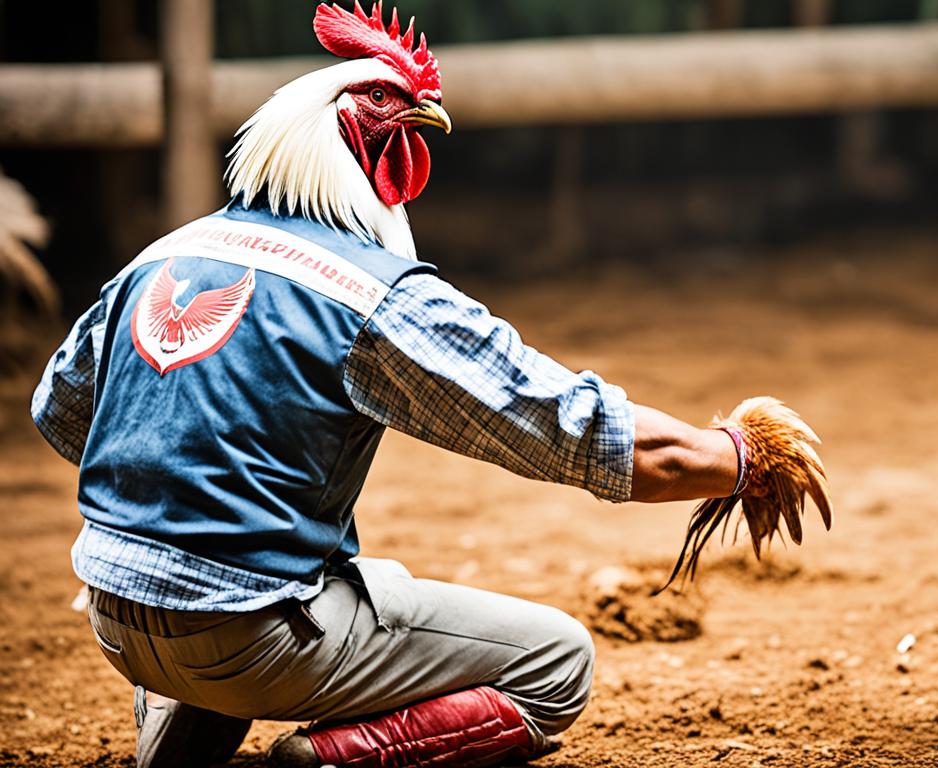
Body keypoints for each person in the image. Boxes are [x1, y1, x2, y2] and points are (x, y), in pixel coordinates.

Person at [31, 10, 826, 768]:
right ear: (337, 124)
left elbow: (60, 412)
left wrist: (181, 484)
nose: (417, 111)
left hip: (114, 615)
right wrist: (736, 456)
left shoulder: (164, 255)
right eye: (383, 99)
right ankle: (322, 757)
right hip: (251, 639)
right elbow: (564, 427)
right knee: (557, 664)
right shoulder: (367, 292)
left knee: (322, 579)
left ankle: (176, 734)